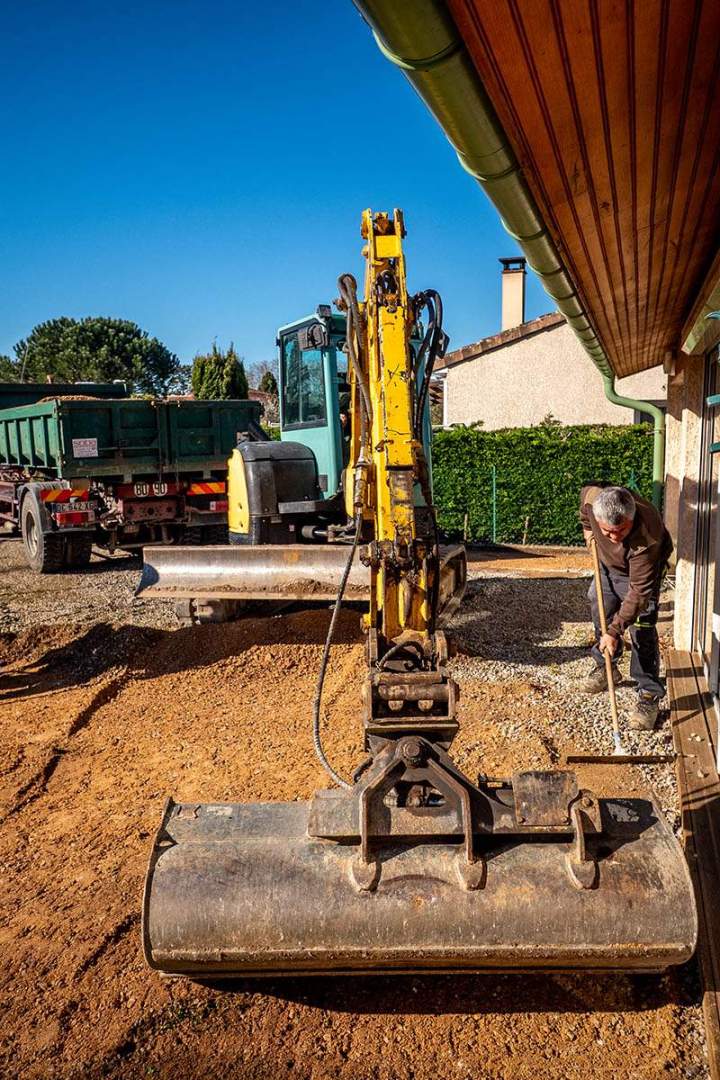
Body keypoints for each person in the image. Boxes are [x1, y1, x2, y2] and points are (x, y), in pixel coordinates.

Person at [579, 484, 673, 730]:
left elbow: (639, 592)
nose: (613, 537)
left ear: (631, 519)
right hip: (608, 567)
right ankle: (606, 665)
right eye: (606, 531)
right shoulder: (593, 501)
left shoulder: (647, 536)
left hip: (640, 573)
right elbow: (584, 508)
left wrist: (615, 630)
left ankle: (649, 693)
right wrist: (589, 530)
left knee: (641, 624)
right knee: (600, 604)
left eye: (620, 530)